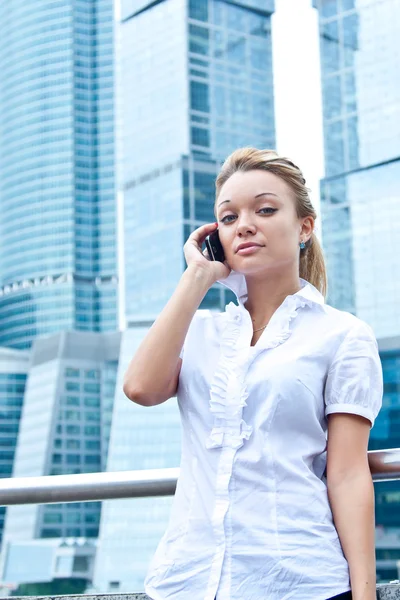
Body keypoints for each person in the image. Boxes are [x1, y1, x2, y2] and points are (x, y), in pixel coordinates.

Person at [123, 148, 383, 600]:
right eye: (228, 217)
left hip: (299, 582)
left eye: (265, 209)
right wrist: (197, 277)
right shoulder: (200, 331)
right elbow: (141, 388)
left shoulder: (343, 336)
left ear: (304, 226)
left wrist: (364, 594)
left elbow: (347, 475)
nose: (244, 224)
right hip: (186, 581)